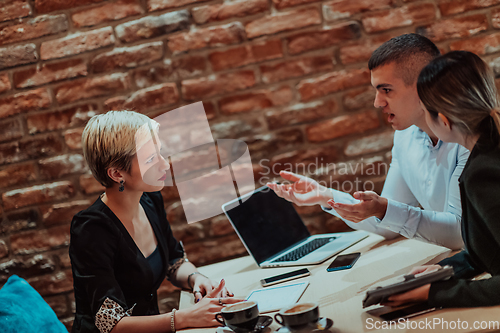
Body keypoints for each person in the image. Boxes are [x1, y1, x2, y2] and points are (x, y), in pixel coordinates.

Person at [268, 34, 468, 250]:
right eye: (376, 91)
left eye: (387, 90)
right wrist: (325, 196)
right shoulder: (404, 136)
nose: (377, 103)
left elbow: (462, 233)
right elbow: (388, 225)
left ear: (425, 84)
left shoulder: (467, 136)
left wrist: (384, 210)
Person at [70, 111, 241, 333]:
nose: (165, 165)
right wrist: (184, 318)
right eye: (151, 159)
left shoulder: (149, 199)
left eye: (160, 153)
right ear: (116, 173)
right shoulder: (92, 230)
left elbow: (173, 260)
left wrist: (196, 279)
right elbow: (111, 324)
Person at [385, 51, 500, 307]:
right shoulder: (485, 154)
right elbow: (492, 247)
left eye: (426, 112)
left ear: (444, 121)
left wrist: (434, 295)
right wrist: (447, 269)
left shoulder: (483, 173)